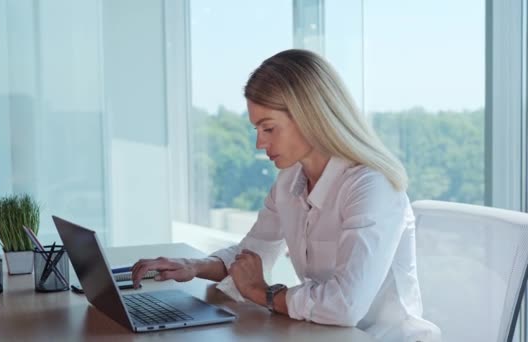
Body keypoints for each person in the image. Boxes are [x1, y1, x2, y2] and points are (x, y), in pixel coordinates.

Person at [131, 49, 440, 341]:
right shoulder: (290, 181)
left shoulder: (371, 186)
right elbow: (252, 255)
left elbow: (345, 306)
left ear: (310, 117)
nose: (259, 144)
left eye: (268, 129)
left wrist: (262, 293)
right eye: (256, 130)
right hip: (323, 334)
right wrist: (194, 267)